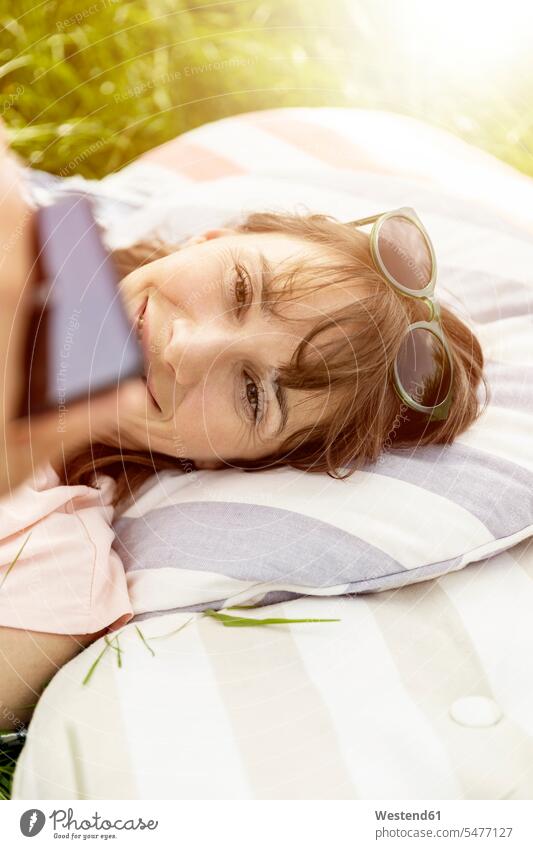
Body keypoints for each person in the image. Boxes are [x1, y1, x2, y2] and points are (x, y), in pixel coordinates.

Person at [0, 129, 486, 730]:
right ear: (210, 239)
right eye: (239, 288)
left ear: (228, 462)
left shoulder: (51, 566)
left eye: (254, 394)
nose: (186, 347)